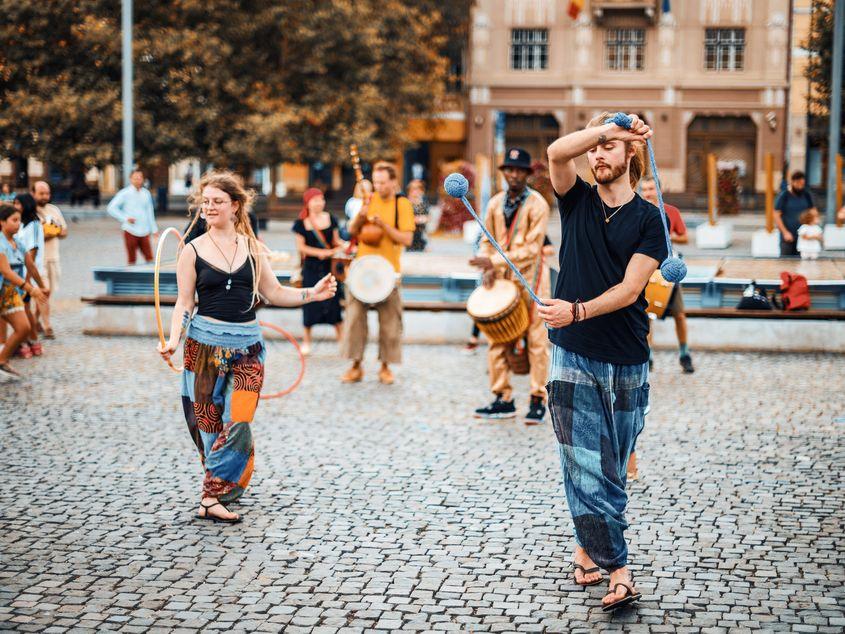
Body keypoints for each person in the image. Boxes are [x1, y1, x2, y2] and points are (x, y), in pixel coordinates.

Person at [157, 170, 336, 523]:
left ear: (235, 207)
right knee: (208, 424)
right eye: (205, 202)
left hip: (248, 349)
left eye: (217, 202)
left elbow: (275, 293)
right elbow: (184, 302)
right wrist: (174, 339)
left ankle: (210, 496)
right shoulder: (191, 251)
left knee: (238, 421)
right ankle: (218, 488)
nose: (209, 207)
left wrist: (311, 294)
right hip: (203, 348)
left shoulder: (253, 249)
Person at [541, 112, 666, 611]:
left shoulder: (649, 220)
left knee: (610, 468)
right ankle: (620, 570)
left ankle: (587, 547)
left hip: (628, 361)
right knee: (581, 462)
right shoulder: (574, 200)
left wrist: (577, 310)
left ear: (629, 155)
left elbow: (631, 289)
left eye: (610, 148)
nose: (598, 155)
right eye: (595, 147)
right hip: (571, 355)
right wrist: (607, 128)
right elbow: (555, 153)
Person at [471, 148, 551, 424]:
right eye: (509, 170)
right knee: (496, 337)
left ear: (527, 174)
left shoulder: (538, 204)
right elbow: (485, 239)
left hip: (533, 281)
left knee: (537, 341)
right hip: (502, 281)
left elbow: (532, 248)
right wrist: (486, 267)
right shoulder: (494, 203)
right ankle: (502, 397)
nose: (514, 175)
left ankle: (538, 398)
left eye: (519, 170)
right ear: (504, 172)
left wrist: (491, 260)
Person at [342, 163, 415, 385]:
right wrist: (360, 218)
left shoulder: (401, 205)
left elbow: (407, 239)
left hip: (388, 271)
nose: (379, 186)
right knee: (354, 318)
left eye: (383, 182)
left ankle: (385, 367)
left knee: (390, 322)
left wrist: (383, 225)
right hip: (363, 269)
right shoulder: (368, 199)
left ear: (393, 182)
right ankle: (356, 365)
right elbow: (352, 231)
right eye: (376, 182)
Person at [639, 177, 694, 374]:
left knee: (679, 314)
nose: (647, 193)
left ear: (659, 190)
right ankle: (648, 356)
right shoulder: (638, 211)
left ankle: (684, 354)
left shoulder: (671, 211)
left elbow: (685, 237)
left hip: (667, 269)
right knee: (647, 316)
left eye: (651, 188)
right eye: (644, 189)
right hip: (646, 269)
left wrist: (666, 235)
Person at [292, 188, 344, 355]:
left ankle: (342, 341)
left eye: (321, 199)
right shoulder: (301, 223)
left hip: (330, 268)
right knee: (310, 303)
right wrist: (321, 253)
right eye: (315, 200)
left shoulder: (331, 219)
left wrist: (345, 246)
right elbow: (301, 247)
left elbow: (336, 241)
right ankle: (306, 341)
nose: (319, 203)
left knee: (334, 303)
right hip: (311, 269)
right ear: (308, 202)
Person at [0, 204, 48, 380]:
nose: (18, 224)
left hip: (11, 292)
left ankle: (2, 360)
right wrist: (30, 289)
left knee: (24, 328)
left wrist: (42, 286)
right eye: (13, 220)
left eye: (19, 220)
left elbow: (31, 265)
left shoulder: (18, 242)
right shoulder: (0, 243)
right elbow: (6, 271)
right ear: (2, 222)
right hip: (5, 289)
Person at [32, 181, 66, 339]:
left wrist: (54, 231)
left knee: (48, 292)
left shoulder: (54, 210)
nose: (45, 196)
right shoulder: (29, 212)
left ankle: (34, 320)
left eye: (47, 193)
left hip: (54, 257)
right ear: (33, 193)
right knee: (43, 292)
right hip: (38, 260)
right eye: (41, 193)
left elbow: (64, 231)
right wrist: (50, 232)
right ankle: (47, 326)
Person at [14, 194, 46, 357]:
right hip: (19, 273)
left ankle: (32, 341)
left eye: (18, 203)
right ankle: (26, 341)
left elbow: (32, 253)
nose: (16, 206)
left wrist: (27, 280)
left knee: (25, 310)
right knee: (22, 310)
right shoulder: (20, 224)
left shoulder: (33, 225)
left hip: (27, 274)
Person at [107, 169, 159, 265]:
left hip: (144, 231)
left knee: (150, 258)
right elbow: (111, 208)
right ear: (131, 179)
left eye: (140, 178)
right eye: (135, 178)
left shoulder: (146, 193)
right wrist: (125, 218)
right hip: (130, 230)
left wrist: (154, 229)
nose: (138, 180)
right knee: (132, 260)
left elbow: (150, 213)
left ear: (143, 179)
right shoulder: (124, 193)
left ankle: (150, 278)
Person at [774, 171, 817, 257]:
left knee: (801, 264)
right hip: (788, 236)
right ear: (793, 182)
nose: (801, 186)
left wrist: (813, 228)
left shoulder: (806, 195)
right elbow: (776, 215)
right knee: (786, 262)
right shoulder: (784, 195)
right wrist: (785, 232)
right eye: (799, 184)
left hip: (803, 237)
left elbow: (813, 211)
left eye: (802, 184)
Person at [406, 179, 429, 252]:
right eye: (413, 189)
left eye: (418, 189)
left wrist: (420, 219)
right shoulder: (406, 203)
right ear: (409, 192)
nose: (416, 192)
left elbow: (427, 218)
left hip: (421, 234)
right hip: (409, 235)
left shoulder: (423, 204)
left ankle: (423, 244)